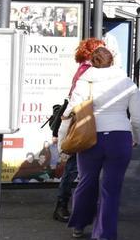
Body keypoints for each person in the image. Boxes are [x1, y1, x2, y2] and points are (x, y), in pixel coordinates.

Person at [58, 47, 140, 240]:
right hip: (119, 137)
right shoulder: (127, 83)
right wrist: (136, 138)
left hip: (89, 137)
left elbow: (69, 115)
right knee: (111, 188)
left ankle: (79, 225)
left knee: (86, 181)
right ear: (112, 62)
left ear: (92, 62)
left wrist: (62, 144)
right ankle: (104, 234)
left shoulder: (84, 82)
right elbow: (139, 118)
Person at [51, 37, 106, 222]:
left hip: (84, 122)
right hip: (84, 124)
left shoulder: (85, 68)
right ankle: (62, 206)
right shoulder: (88, 71)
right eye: (100, 49)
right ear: (91, 52)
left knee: (78, 168)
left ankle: (67, 206)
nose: (104, 52)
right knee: (74, 168)